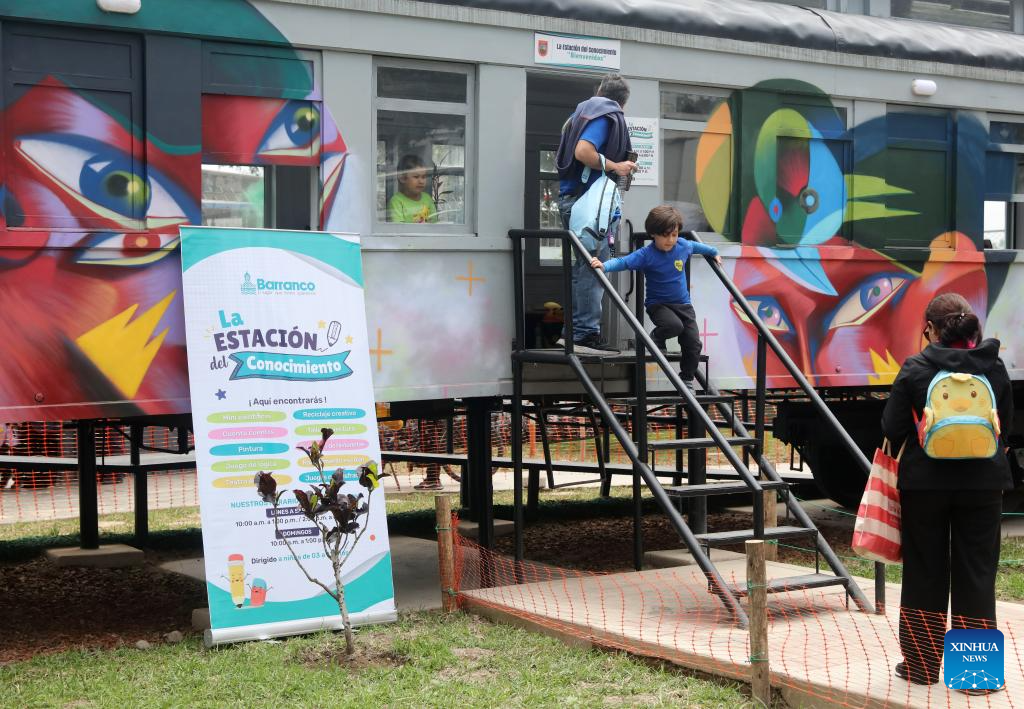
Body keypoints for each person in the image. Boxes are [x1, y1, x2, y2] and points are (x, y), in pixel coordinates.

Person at [881, 292, 1014, 692]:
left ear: (931, 328)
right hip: (984, 485)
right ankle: (975, 675)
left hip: (925, 486)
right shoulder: (994, 366)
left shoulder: (916, 367)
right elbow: (1002, 428)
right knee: (976, 573)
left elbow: (890, 428)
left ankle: (921, 666)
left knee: (924, 570)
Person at [591, 205, 720, 388]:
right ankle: (656, 338)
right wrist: (604, 266)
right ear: (653, 234)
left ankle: (687, 379)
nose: (670, 240)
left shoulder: (682, 246)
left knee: (693, 343)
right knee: (674, 326)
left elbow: (698, 247)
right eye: (665, 235)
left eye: (674, 235)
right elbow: (624, 262)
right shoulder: (647, 254)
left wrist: (714, 253)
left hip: (683, 305)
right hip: (658, 305)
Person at [554, 73, 636, 355]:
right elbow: (583, 151)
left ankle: (575, 330)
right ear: (622, 103)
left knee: (582, 266)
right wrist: (617, 166)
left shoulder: (581, 114)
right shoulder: (606, 115)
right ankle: (585, 333)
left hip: (573, 199)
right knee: (594, 265)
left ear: (600, 90)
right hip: (588, 202)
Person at [388, 154, 437, 224]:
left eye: (423, 177)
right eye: (416, 177)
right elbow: (399, 230)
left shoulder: (427, 198)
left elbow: (434, 225)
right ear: (402, 178)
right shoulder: (396, 201)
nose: (421, 181)